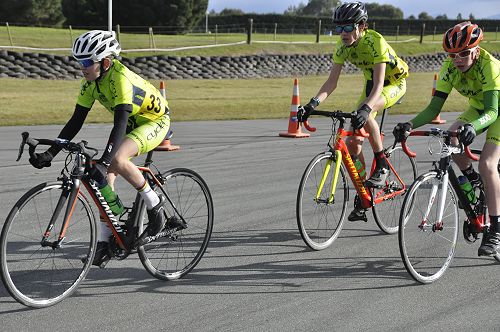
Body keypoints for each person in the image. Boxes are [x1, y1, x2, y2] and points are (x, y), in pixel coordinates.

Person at [28, 30, 172, 265]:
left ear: (105, 62)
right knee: (101, 181)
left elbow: (120, 123)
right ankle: (105, 242)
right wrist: (51, 153)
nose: (81, 67)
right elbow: (76, 121)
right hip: (132, 124)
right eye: (78, 61)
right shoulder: (89, 83)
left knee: (116, 160)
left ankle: (155, 204)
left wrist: (106, 163)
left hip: (154, 122)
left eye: (86, 62)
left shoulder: (121, 79)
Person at [393, 21, 500, 256]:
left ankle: (496, 229)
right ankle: (472, 180)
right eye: (452, 55)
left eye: (463, 53)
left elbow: (492, 112)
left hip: (497, 110)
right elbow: (433, 110)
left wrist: (472, 127)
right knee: (451, 137)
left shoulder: (489, 66)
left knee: (488, 164)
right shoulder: (450, 68)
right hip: (478, 109)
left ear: (476, 50)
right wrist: (409, 125)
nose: (458, 59)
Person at [300, 2, 409, 222]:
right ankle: (363, 192)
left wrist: (367, 108)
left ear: (361, 26)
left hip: (393, 82)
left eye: (348, 27)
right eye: (338, 28)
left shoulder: (375, 41)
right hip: (372, 84)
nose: (342, 33)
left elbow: (380, 83)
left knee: (365, 113)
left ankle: (382, 165)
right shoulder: (341, 48)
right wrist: (312, 104)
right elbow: (332, 83)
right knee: (352, 144)